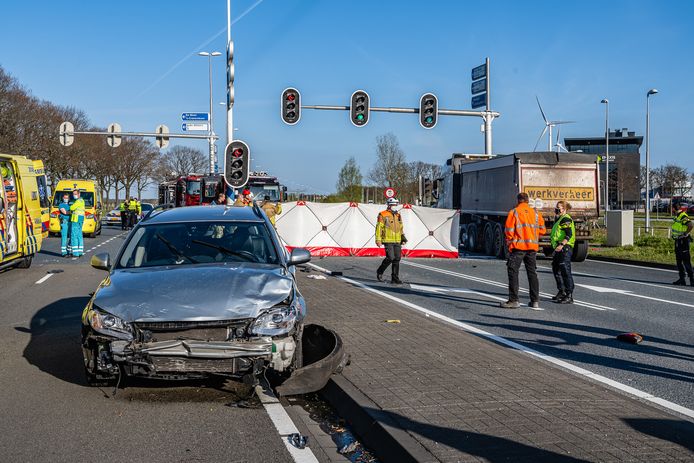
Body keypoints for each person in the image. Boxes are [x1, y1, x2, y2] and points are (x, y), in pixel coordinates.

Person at [501, 193, 546, 309]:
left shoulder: (514, 212)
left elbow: (509, 230)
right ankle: (535, 300)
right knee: (532, 273)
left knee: (513, 272)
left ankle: (514, 300)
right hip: (532, 248)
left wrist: (509, 241)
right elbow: (542, 230)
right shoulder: (536, 213)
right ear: (527, 201)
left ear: (518, 201)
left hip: (518, 248)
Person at [375, 197, 407, 284]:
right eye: (393, 204)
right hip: (387, 239)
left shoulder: (398, 215)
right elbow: (379, 228)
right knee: (390, 257)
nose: (395, 206)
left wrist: (403, 237)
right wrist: (378, 239)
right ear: (389, 205)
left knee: (397, 258)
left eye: (396, 204)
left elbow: (401, 227)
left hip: (397, 240)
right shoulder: (382, 214)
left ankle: (395, 278)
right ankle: (380, 271)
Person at [550, 201, 575, 303]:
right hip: (558, 249)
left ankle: (569, 295)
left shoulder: (565, 219)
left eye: (559, 208)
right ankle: (562, 291)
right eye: (556, 207)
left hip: (565, 248)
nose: (556, 209)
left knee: (565, 270)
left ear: (564, 209)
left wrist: (562, 245)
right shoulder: (559, 218)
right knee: (556, 269)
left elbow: (569, 234)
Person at [671, 202, 693, 286]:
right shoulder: (677, 216)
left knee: (686, 261)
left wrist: (685, 234)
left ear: (673, 208)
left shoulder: (683, 216)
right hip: (678, 241)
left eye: (671, 208)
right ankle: (682, 279)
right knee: (679, 261)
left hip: (683, 241)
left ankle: (692, 279)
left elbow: (690, 225)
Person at [69, 189, 85, 257]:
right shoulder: (82, 201)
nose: (74, 195)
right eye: (73, 194)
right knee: (79, 236)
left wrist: (70, 205)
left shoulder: (78, 201)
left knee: (74, 236)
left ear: (79, 194)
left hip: (76, 219)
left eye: (75, 194)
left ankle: (75, 253)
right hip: (81, 219)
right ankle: (80, 251)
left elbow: (72, 208)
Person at [58, 192, 72, 257]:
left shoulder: (70, 205)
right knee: (64, 237)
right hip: (64, 222)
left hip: (71, 222)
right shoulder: (61, 205)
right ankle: (64, 252)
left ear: (69, 198)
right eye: (65, 198)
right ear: (63, 198)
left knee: (72, 236)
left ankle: (69, 250)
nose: (66, 199)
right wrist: (73, 211)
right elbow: (65, 212)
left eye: (67, 198)